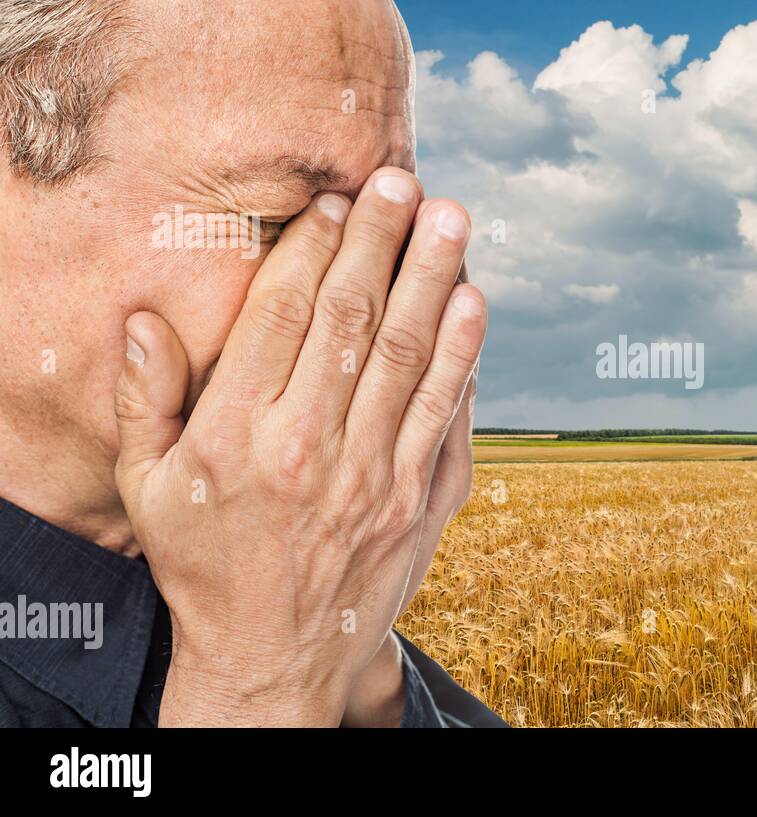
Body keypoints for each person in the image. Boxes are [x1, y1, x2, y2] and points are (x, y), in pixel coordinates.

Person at [0, 0, 505, 727]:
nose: (373, 291)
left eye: (389, 220)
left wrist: (356, 661)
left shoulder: (304, 586)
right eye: (278, 219)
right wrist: (258, 689)